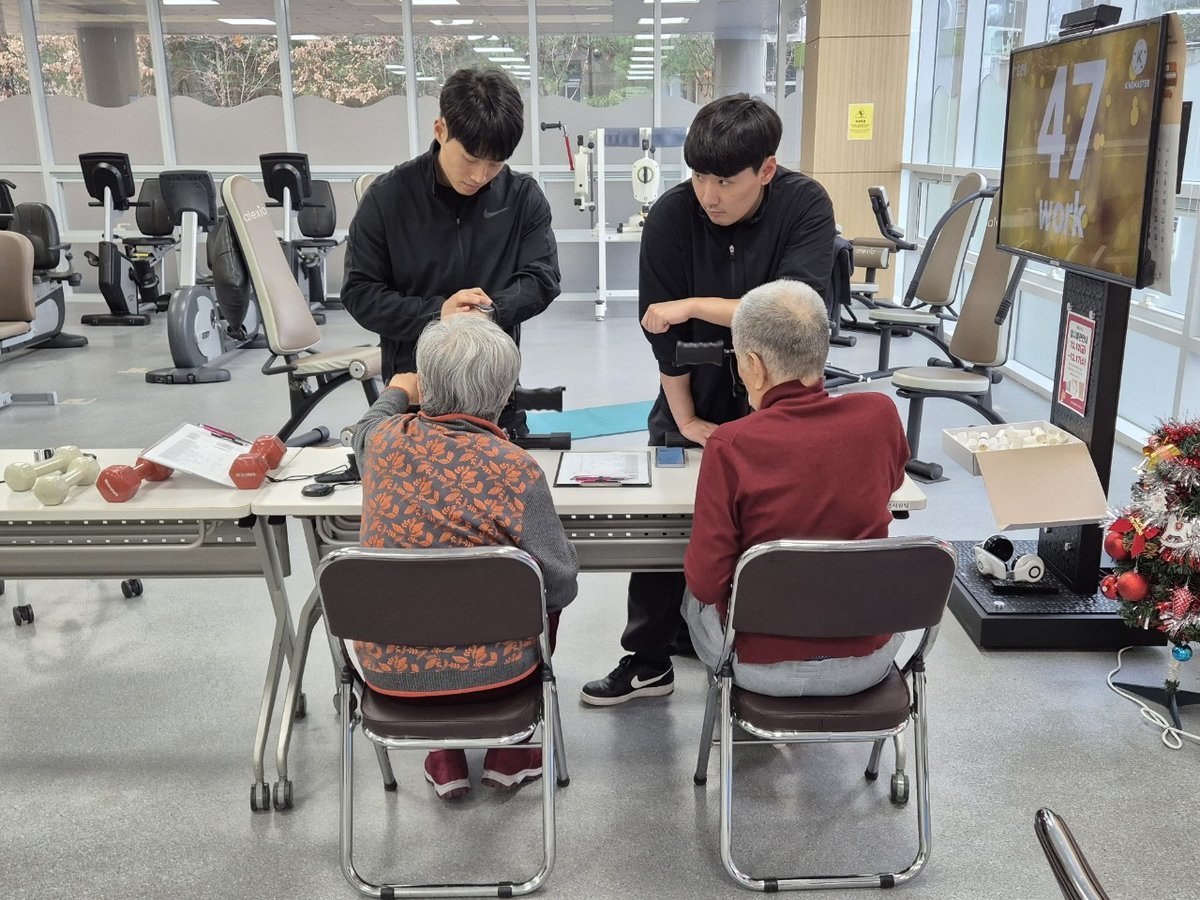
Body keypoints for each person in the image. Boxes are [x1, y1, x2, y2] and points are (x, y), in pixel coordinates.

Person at [581, 93, 837, 705]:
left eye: (724, 180)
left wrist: (694, 305)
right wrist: (685, 417)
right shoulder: (673, 216)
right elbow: (659, 330)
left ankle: (769, 648)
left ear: (766, 170)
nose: (708, 195)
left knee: (773, 520)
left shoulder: (805, 204)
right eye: (698, 176)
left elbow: (791, 314)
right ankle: (648, 657)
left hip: (781, 394)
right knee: (661, 521)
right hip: (688, 389)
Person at [350, 315, 579, 800]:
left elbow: (364, 427)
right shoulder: (516, 469)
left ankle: (444, 755)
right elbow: (560, 583)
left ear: (425, 385)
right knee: (543, 594)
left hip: (391, 680)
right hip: (498, 681)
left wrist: (397, 390)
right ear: (504, 394)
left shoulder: (382, 445)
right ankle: (512, 753)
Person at [682, 279, 908, 695]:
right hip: (867, 661)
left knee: (689, 592)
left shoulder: (731, 444)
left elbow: (707, 583)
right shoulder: (880, 415)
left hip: (763, 668)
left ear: (754, 365)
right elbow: (891, 483)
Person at [342, 67, 560, 437]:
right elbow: (360, 292)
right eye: (471, 158)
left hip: (496, 398)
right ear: (440, 129)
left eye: (495, 163)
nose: (479, 175)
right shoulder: (388, 198)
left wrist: (489, 310)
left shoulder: (522, 197)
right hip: (414, 398)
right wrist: (438, 313)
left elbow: (543, 278)